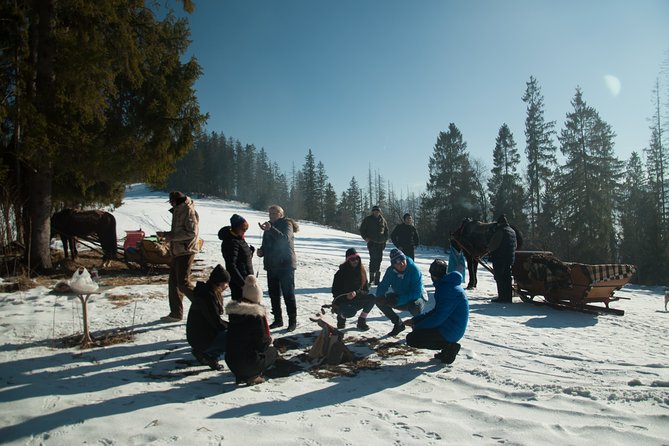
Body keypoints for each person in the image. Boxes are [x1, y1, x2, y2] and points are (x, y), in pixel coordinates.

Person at [404, 259, 469, 364]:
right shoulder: (447, 285)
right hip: (449, 325)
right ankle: (447, 348)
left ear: (432, 275)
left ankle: (449, 346)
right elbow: (436, 312)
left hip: (451, 330)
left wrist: (418, 325)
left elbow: (438, 318)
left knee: (412, 338)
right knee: (417, 333)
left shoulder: (447, 290)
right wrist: (415, 320)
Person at [225, 275, 278, 386]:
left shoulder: (234, 312)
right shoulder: (255, 316)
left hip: (231, 361)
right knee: (273, 352)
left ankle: (242, 374)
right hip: (248, 363)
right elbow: (262, 345)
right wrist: (270, 340)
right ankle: (253, 375)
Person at [157, 191, 200, 322]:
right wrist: (165, 234)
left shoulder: (188, 211)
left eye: (171, 201)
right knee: (173, 283)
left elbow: (191, 233)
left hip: (186, 251)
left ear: (176, 201)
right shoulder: (179, 211)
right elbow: (179, 232)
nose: (170, 204)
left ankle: (205, 306)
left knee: (183, 283)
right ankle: (176, 314)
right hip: (177, 251)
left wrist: (171, 237)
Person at [257, 205, 299, 331]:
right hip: (272, 266)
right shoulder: (268, 226)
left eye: (274, 213)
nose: (271, 215)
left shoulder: (287, 224)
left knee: (288, 293)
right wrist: (261, 251)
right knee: (274, 294)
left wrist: (271, 229)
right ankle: (278, 320)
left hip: (285, 265)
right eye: (270, 213)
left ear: (281, 214)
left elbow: (284, 239)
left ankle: (292, 322)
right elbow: (266, 244)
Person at [375, 248, 428, 337]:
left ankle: (417, 327)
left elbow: (416, 292)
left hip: (417, 298)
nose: (402, 264)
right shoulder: (390, 271)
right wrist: (380, 296)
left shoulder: (414, 270)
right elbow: (383, 285)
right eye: (398, 263)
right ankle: (398, 324)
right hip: (400, 296)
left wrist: (399, 300)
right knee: (379, 301)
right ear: (393, 265)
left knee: (415, 306)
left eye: (403, 260)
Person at [186, 264, 230, 371]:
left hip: (198, 336)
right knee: (234, 336)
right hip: (201, 338)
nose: (227, 286)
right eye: (226, 283)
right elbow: (216, 323)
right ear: (219, 282)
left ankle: (205, 352)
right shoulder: (207, 297)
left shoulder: (206, 292)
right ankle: (210, 355)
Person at [330, 248, 375, 331]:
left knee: (372, 298)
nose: (355, 261)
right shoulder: (340, 273)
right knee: (350, 312)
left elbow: (366, 290)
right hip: (342, 302)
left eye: (357, 258)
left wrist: (356, 293)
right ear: (347, 260)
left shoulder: (362, 272)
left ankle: (361, 320)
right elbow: (335, 292)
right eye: (352, 259)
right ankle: (341, 317)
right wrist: (346, 296)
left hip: (356, 300)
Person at [218, 213, 255, 302]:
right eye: (243, 229)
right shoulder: (231, 241)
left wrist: (250, 253)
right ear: (235, 228)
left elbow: (242, 259)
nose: (245, 231)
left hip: (247, 280)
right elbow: (231, 265)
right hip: (239, 282)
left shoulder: (239, 238)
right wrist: (242, 284)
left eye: (246, 229)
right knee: (239, 310)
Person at [488, 214, 517, 304]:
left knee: (499, 277)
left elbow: (494, 244)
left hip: (499, 257)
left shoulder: (501, 231)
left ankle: (502, 297)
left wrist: (488, 249)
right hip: (509, 258)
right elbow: (515, 245)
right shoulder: (512, 231)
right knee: (507, 277)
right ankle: (508, 297)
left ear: (500, 223)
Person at [359, 205, 389, 285]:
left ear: (380, 212)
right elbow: (362, 229)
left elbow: (386, 231)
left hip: (381, 243)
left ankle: (377, 279)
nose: (376, 212)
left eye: (378, 211)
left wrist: (385, 239)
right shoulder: (368, 219)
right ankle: (371, 279)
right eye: (375, 211)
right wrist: (365, 238)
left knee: (379, 260)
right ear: (372, 211)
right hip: (372, 242)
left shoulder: (383, 220)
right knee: (373, 259)